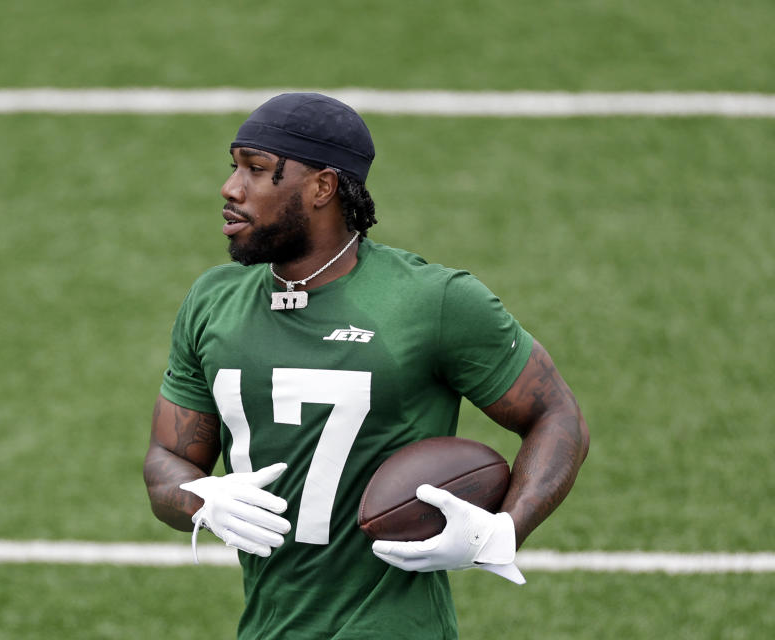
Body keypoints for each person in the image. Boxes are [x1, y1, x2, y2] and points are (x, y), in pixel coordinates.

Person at [143, 92, 590, 639]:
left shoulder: (432, 301)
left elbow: (556, 414)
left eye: (256, 170)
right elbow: (168, 458)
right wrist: (202, 499)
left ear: (322, 187)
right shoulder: (213, 301)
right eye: (233, 167)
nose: (231, 188)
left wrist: (503, 531)